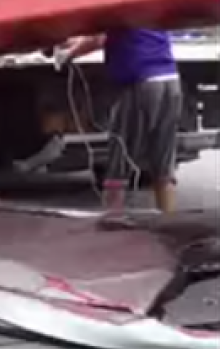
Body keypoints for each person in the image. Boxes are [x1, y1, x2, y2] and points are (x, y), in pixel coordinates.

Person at [57, 28, 181, 213]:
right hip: (170, 80)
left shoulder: (118, 9)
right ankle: (171, 221)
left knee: (120, 158)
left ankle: (113, 220)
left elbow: (99, 38)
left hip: (141, 82)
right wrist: (71, 43)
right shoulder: (147, 6)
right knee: (163, 162)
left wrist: (68, 55)